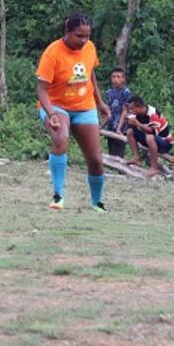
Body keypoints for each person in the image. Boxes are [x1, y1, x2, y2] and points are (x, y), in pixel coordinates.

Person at [35, 12, 112, 212]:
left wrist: (100, 102)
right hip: (56, 105)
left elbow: (90, 74)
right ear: (67, 32)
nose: (84, 40)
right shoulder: (52, 53)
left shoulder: (90, 48)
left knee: (95, 159)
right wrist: (51, 113)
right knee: (61, 138)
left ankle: (97, 202)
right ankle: (58, 195)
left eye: (87, 36)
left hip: (84, 106)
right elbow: (41, 89)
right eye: (79, 36)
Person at [124, 96, 174, 176]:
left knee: (149, 136)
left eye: (132, 108)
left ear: (139, 106)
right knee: (130, 132)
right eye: (130, 109)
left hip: (165, 142)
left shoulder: (153, 113)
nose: (131, 111)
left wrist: (137, 123)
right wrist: (128, 121)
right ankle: (137, 158)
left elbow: (152, 131)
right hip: (151, 140)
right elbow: (133, 129)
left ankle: (154, 167)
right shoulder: (137, 114)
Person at [102, 67, 132, 157]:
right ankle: (111, 170)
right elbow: (108, 111)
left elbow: (124, 111)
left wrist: (119, 128)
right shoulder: (109, 92)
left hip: (121, 127)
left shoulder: (126, 92)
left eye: (118, 77)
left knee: (118, 153)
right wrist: (102, 126)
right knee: (111, 151)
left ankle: (120, 170)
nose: (115, 79)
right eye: (113, 77)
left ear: (123, 79)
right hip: (111, 125)